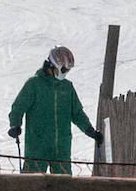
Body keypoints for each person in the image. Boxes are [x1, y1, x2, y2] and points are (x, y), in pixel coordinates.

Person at [7, 46, 102, 175]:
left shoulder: (67, 87)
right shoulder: (34, 84)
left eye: (68, 70)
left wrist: (90, 131)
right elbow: (18, 107)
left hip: (61, 148)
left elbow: (77, 113)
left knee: (63, 187)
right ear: (53, 66)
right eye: (64, 69)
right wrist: (15, 125)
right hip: (37, 148)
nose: (66, 72)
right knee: (31, 187)